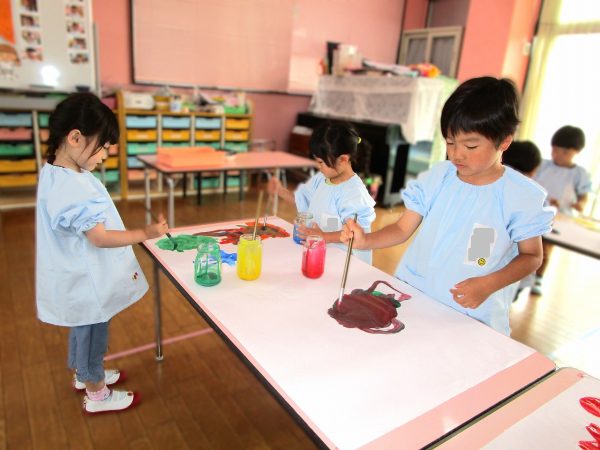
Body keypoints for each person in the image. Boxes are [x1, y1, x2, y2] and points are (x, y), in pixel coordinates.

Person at [342, 77, 555, 335]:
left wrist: (489, 284)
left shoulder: (519, 195)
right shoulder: (439, 177)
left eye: (471, 145)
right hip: (418, 296)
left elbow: (532, 256)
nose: (456, 154)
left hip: (471, 312)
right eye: (450, 142)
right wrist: (366, 240)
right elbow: (401, 229)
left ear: (504, 142)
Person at [36, 93, 169, 413]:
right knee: (93, 330)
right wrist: (145, 234)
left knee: (82, 325)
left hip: (75, 274)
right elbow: (99, 237)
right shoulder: (73, 187)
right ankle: (96, 392)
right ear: (75, 138)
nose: (105, 155)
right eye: (103, 146)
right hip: (86, 280)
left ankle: (84, 374)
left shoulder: (56, 171)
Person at [268, 121, 376, 263]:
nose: (318, 166)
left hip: (346, 263)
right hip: (322, 255)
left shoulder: (354, 193)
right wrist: (280, 191)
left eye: (321, 162)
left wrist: (323, 236)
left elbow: (354, 233)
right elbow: (302, 200)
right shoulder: (321, 179)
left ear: (343, 159)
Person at [531, 125, 591, 295]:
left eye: (564, 152)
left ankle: (538, 278)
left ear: (576, 152)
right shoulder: (543, 165)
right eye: (554, 150)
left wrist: (580, 204)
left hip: (558, 218)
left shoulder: (579, 174)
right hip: (536, 212)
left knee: (545, 249)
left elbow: (583, 197)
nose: (557, 155)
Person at [502, 140, 543, 299]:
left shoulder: (492, 183)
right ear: (533, 170)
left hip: (487, 264)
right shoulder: (529, 195)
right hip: (506, 271)